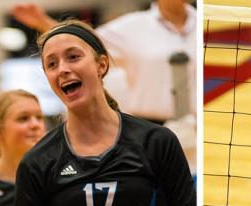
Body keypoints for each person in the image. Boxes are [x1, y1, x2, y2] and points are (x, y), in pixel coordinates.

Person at [13, 20, 196, 206]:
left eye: (73, 57)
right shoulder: (36, 162)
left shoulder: (157, 142)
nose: (62, 69)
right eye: (51, 64)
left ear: (101, 64)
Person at [11, 0, 196, 124]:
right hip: (152, 125)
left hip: (201, 125)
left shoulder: (205, 21)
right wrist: (42, 22)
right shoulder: (133, 26)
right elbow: (86, 42)